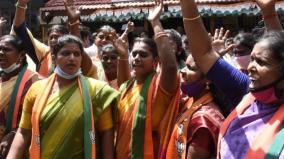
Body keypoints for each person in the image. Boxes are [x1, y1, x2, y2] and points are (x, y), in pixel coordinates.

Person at [180, 0, 284, 158]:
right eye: (252, 59)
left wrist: (270, 14)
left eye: (261, 62)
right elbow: (204, 55)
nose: (250, 67)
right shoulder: (246, 93)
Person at [7, 35, 119, 159]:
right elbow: (24, 132)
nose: (72, 58)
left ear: (82, 58)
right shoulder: (36, 89)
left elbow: (106, 132)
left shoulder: (97, 91)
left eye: (77, 54)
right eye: (66, 53)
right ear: (54, 58)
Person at [115, 0, 180, 158]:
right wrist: (123, 56)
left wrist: (156, 23)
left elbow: (171, 68)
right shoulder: (127, 87)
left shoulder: (159, 86)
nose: (136, 58)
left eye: (143, 55)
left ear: (156, 62)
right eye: (134, 54)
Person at [13, 0, 96, 78]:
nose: (53, 40)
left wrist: (74, 23)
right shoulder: (43, 53)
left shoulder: (75, 56)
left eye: (57, 37)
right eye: (51, 37)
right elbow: (20, 30)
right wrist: (21, 4)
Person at [166, 55, 224, 159]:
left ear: (208, 79)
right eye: (184, 66)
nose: (182, 71)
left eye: (190, 68)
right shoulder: (191, 101)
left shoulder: (204, 119)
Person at [0, 35, 38, 158]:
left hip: (16, 149)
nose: (0, 53)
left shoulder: (33, 81)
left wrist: (14, 134)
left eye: (6, 49)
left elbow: (37, 118)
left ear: (21, 55)